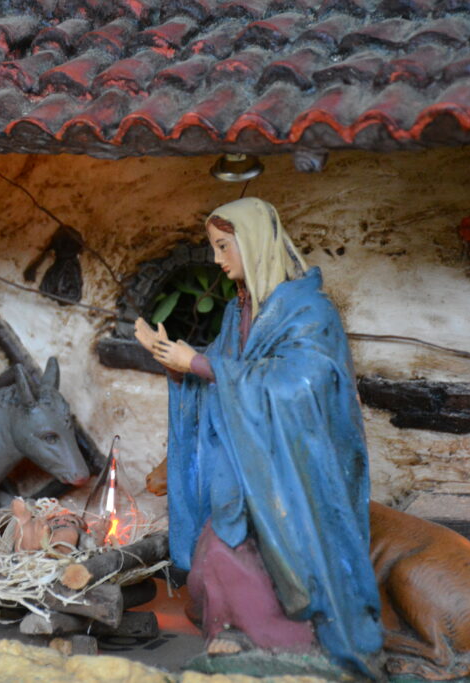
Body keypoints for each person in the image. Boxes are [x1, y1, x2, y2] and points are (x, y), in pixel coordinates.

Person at [135, 198, 382, 677]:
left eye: (223, 246)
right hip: (244, 469)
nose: (216, 259)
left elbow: (302, 386)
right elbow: (218, 373)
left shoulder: (309, 312)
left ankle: (294, 646)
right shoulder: (238, 311)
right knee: (211, 561)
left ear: (254, 244)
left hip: (293, 474)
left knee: (240, 561)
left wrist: (200, 364)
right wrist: (176, 364)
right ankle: (237, 638)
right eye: (213, 248)